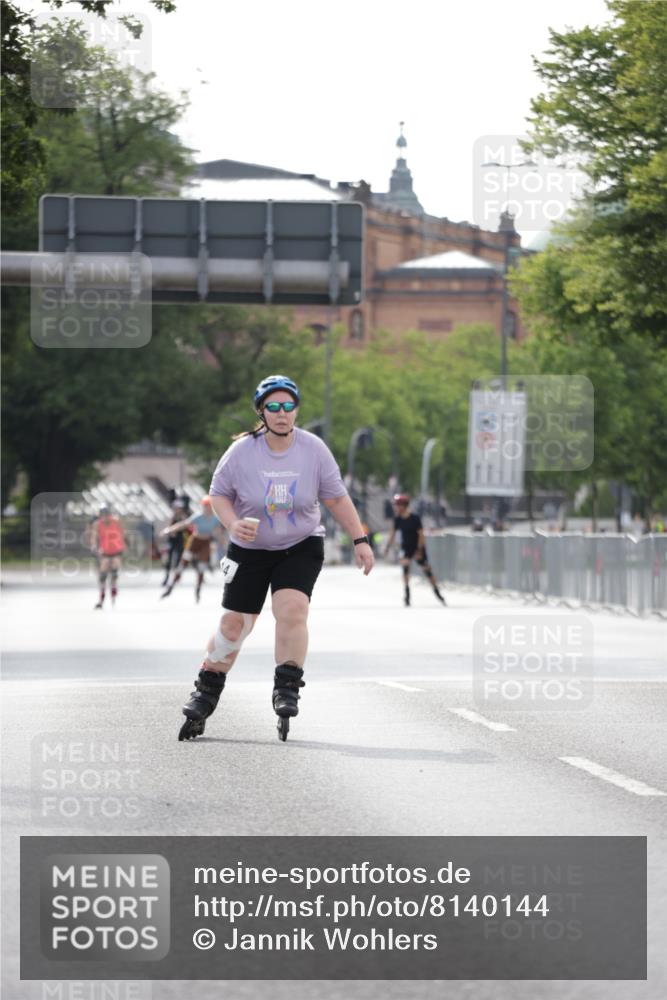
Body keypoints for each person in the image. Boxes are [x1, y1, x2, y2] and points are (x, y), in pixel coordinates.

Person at [177, 374, 375, 741]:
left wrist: (360, 539)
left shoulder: (313, 449)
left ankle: (286, 686)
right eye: (274, 407)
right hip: (249, 550)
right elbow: (218, 494)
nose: (282, 413)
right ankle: (205, 691)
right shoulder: (242, 452)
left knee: (292, 609)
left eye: (288, 406)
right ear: (262, 412)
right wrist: (233, 524)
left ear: (296, 410)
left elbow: (336, 498)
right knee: (235, 625)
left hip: (300, 544)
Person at [383, 493, 446, 607]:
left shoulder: (415, 518)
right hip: (406, 547)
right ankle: (407, 594)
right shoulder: (398, 519)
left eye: (397, 505)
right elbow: (392, 533)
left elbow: (421, 535)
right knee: (405, 567)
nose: (395, 507)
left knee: (427, 571)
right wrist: (388, 547)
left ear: (403, 506)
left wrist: (420, 550)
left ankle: (437, 592)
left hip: (417, 547)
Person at [161, 496, 225, 602]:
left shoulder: (215, 519)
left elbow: (217, 532)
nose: (207, 509)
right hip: (194, 542)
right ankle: (170, 587)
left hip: (205, 543)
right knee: (183, 564)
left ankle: (198, 589)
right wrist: (170, 529)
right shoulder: (198, 517)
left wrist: (223, 542)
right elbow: (184, 524)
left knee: (201, 567)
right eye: (205, 506)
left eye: (209, 506)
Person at [87, 504, 125, 610]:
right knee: (103, 574)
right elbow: (94, 537)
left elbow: (122, 534)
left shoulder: (116, 521)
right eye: (103, 515)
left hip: (116, 549)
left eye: (106, 515)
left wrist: (122, 545)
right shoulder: (97, 524)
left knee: (114, 569)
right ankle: (102, 596)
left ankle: (113, 587)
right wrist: (94, 546)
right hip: (104, 551)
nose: (105, 517)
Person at [161, 498, 189, 587]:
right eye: (176, 508)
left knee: (178, 560)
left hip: (180, 541)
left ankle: (175, 578)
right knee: (168, 560)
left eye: (179, 508)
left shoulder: (183, 517)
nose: (178, 510)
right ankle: (166, 577)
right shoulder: (171, 517)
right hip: (171, 541)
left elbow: (186, 527)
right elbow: (167, 527)